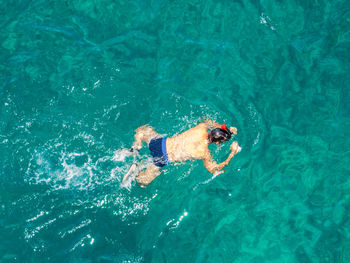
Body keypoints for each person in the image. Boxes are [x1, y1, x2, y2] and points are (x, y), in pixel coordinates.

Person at [122, 120, 241, 187]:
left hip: (160, 143)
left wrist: (226, 129)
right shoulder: (204, 152)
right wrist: (232, 153)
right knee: (142, 182)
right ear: (218, 143)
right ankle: (137, 171)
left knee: (142, 131)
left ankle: (135, 149)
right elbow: (213, 169)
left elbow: (208, 121)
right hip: (163, 158)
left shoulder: (201, 128)